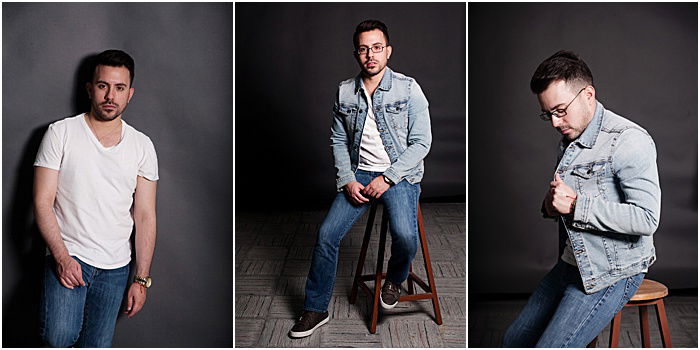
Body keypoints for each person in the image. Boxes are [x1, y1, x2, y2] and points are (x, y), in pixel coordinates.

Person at [502, 50, 661, 347]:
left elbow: (647, 218)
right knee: (512, 341)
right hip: (572, 263)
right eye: (547, 114)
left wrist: (576, 206)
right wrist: (550, 207)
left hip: (614, 271)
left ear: (588, 94)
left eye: (560, 110)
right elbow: (562, 200)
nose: (554, 122)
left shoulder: (628, 140)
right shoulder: (572, 139)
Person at [289, 19, 432, 338]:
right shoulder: (344, 92)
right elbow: (338, 141)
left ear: (388, 51)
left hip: (400, 175)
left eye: (377, 48)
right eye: (364, 49)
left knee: (405, 236)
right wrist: (347, 180)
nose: (371, 54)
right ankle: (315, 308)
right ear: (356, 53)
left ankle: (395, 277)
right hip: (359, 175)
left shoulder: (408, 88)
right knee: (326, 234)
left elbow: (421, 143)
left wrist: (389, 178)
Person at [33, 49, 158, 347]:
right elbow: (42, 201)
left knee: (96, 346)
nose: (110, 95)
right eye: (103, 86)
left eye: (119, 88)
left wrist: (141, 280)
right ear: (90, 89)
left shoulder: (142, 146)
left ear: (130, 94)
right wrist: (62, 258)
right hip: (70, 254)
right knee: (58, 337)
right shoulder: (60, 133)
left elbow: (145, 215)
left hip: (116, 267)